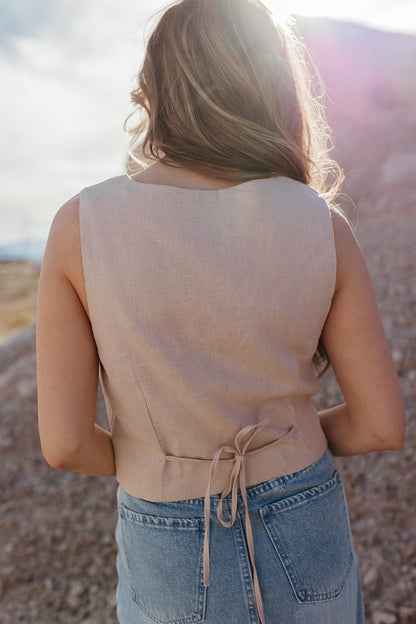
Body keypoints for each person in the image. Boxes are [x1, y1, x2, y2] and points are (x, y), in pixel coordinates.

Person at [36, 1, 406, 622]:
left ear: (157, 89)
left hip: (168, 537)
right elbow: (380, 425)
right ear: (271, 87)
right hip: (305, 512)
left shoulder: (81, 225)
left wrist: (157, 462)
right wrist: (288, 443)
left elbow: (67, 443)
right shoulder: (321, 224)